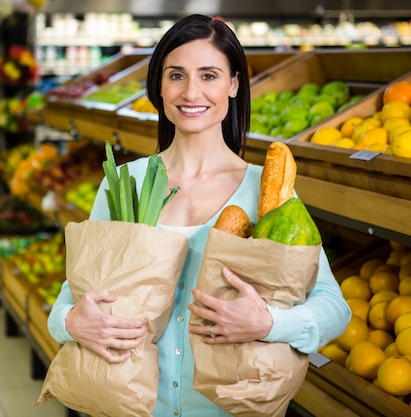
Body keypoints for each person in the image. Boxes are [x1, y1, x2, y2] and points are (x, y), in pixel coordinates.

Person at [48, 14, 351, 417]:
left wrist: (269, 324)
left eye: (209, 75)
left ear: (234, 84)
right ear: (159, 85)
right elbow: (70, 298)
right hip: (133, 406)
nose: (192, 92)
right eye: (177, 75)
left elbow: (334, 307)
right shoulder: (124, 184)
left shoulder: (266, 192)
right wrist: (69, 322)